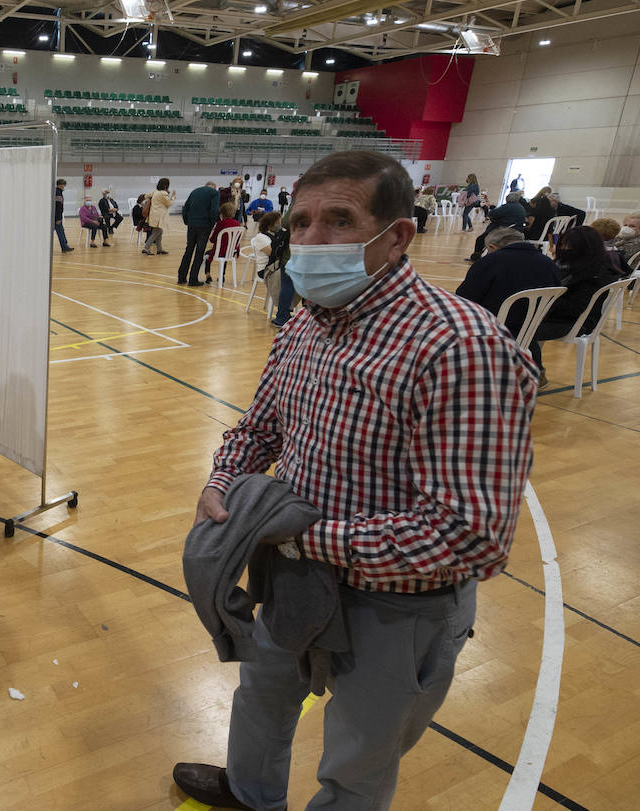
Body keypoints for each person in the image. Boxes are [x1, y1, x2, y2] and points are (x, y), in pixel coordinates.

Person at [172, 149, 536, 811]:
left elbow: (470, 537)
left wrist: (306, 536)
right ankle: (251, 795)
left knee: (356, 764)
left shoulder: (460, 345)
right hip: (295, 574)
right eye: (302, 221)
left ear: (396, 236)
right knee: (262, 695)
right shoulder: (305, 322)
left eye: (339, 220)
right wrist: (225, 477)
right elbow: (261, 426)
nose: (310, 240)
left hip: (399, 604)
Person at [528, 226, 622, 379]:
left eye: (568, 245)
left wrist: (543, 298)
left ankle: (536, 373)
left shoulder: (595, 274)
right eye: (563, 244)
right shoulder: (568, 266)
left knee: (518, 328)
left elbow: (573, 308)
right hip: (558, 315)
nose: (563, 248)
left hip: (577, 322)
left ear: (583, 248)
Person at [455, 227, 562, 337]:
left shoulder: (489, 262)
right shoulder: (550, 265)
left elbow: (464, 298)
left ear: (492, 247)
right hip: (531, 331)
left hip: (490, 329)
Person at [178, 181, 220, 285]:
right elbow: (214, 210)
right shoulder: (214, 193)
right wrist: (212, 224)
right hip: (204, 225)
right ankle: (193, 279)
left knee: (188, 250)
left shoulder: (195, 191)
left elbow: (185, 208)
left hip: (192, 224)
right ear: (214, 187)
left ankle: (181, 278)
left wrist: (187, 221)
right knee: (199, 252)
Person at [468, 192, 527, 261]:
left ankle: (478, 258)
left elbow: (492, 214)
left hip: (506, 230)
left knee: (480, 239)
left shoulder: (508, 206)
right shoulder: (521, 207)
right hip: (517, 230)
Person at [203, 201, 243, 284]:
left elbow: (212, 240)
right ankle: (222, 276)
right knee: (225, 255)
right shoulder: (238, 224)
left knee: (207, 254)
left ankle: (208, 275)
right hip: (231, 252)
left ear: (222, 213)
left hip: (219, 252)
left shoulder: (220, 224)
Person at [250, 211, 283, 306]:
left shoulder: (277, 235)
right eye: (278, 222)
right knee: (286, 277)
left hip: (276, 267)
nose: (280, 225)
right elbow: (273, 254)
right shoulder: (261, 237)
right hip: (265, 270)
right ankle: (283, 308)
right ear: (269, 225)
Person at [143, 177, 171, 255]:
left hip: (153, 215)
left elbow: (145, 196)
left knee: (159, 231)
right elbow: (169, 204)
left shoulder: (155, 192)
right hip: (159, 216)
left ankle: (159, 249)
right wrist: (173, 196)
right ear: (166, 186)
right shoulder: (163, 193)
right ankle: (146, 248)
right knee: (157, 232)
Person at [52, 179, 74, 253]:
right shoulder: (57, 193)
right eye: (64, 185)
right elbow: (58, 206)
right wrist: (58, 218)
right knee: (60, 232)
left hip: (57, 216)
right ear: (61, 185)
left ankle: (65, 246)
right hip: (56, 217)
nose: (64, 186)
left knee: (61, 231)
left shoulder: (58, 192)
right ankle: (64, 246)